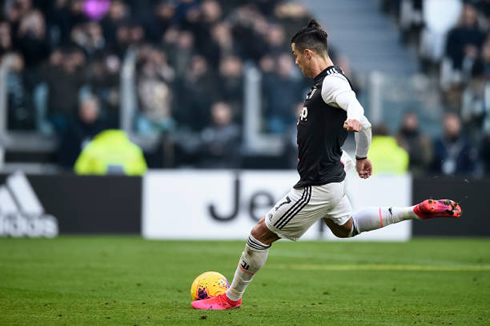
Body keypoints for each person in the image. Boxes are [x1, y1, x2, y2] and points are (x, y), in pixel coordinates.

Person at [191, 19, 462, 310]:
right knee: (345, 228)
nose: (296, 62)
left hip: (317, 184)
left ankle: (231, 299)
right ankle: (416, 211)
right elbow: (365, 126)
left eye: (296, 56)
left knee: (259, 235)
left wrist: (356, 123)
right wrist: (360, 156)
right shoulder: (324, 83)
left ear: (309, 53)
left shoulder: (332, 82)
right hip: (335, 174)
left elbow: (357, 109)